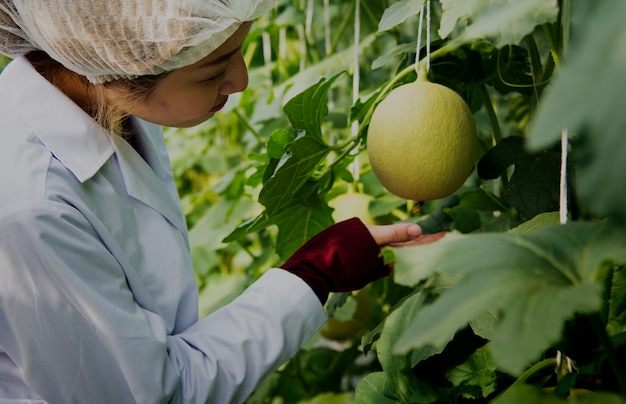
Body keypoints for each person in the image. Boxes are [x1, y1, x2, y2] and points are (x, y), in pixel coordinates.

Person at [0, 1, 436, 403]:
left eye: (238, 50)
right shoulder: (31, 209)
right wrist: (314, 273)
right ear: (115, 69)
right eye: (213, 71)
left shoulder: (101, 87)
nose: (241, 80)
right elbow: (154, 396)